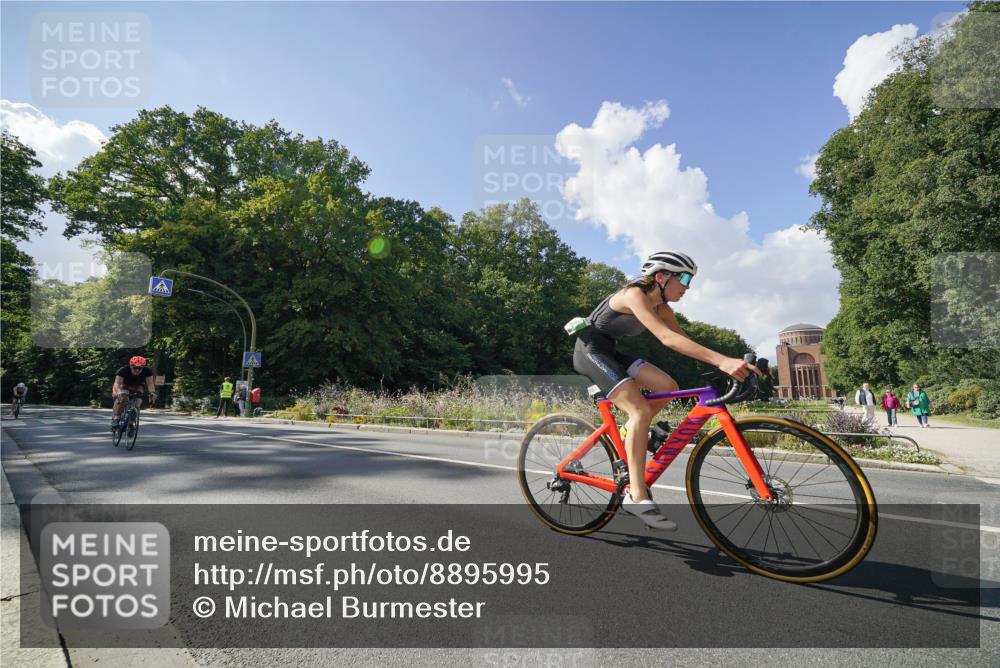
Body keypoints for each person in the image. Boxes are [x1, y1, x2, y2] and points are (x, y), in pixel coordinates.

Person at [571, 250, 760, 531]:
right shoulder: (633, 295)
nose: (687, 286)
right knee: (639, 411)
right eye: (683, 279)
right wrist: (723, 361)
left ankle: (629, 433)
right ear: (661, 277)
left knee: (668, 386)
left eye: (690, 280)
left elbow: (683, 341)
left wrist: (725, 363)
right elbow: (666, 338)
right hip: (590, 352)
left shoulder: (663, 308)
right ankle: (636, 496)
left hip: (611, 352)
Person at [111, 356, 157, 430]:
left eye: (140, 368)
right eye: (135, 368)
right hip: (124, 385)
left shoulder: (147, 371)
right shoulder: (123, 370)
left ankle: (131, 424)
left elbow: (150, 384)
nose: (137, 370)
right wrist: (119, 392)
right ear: (131, 366)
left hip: (137, 386)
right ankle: (116, 418)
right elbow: (117, 384)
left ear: (143, 367)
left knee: (137, 404)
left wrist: (152, 393)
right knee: (123, 398)